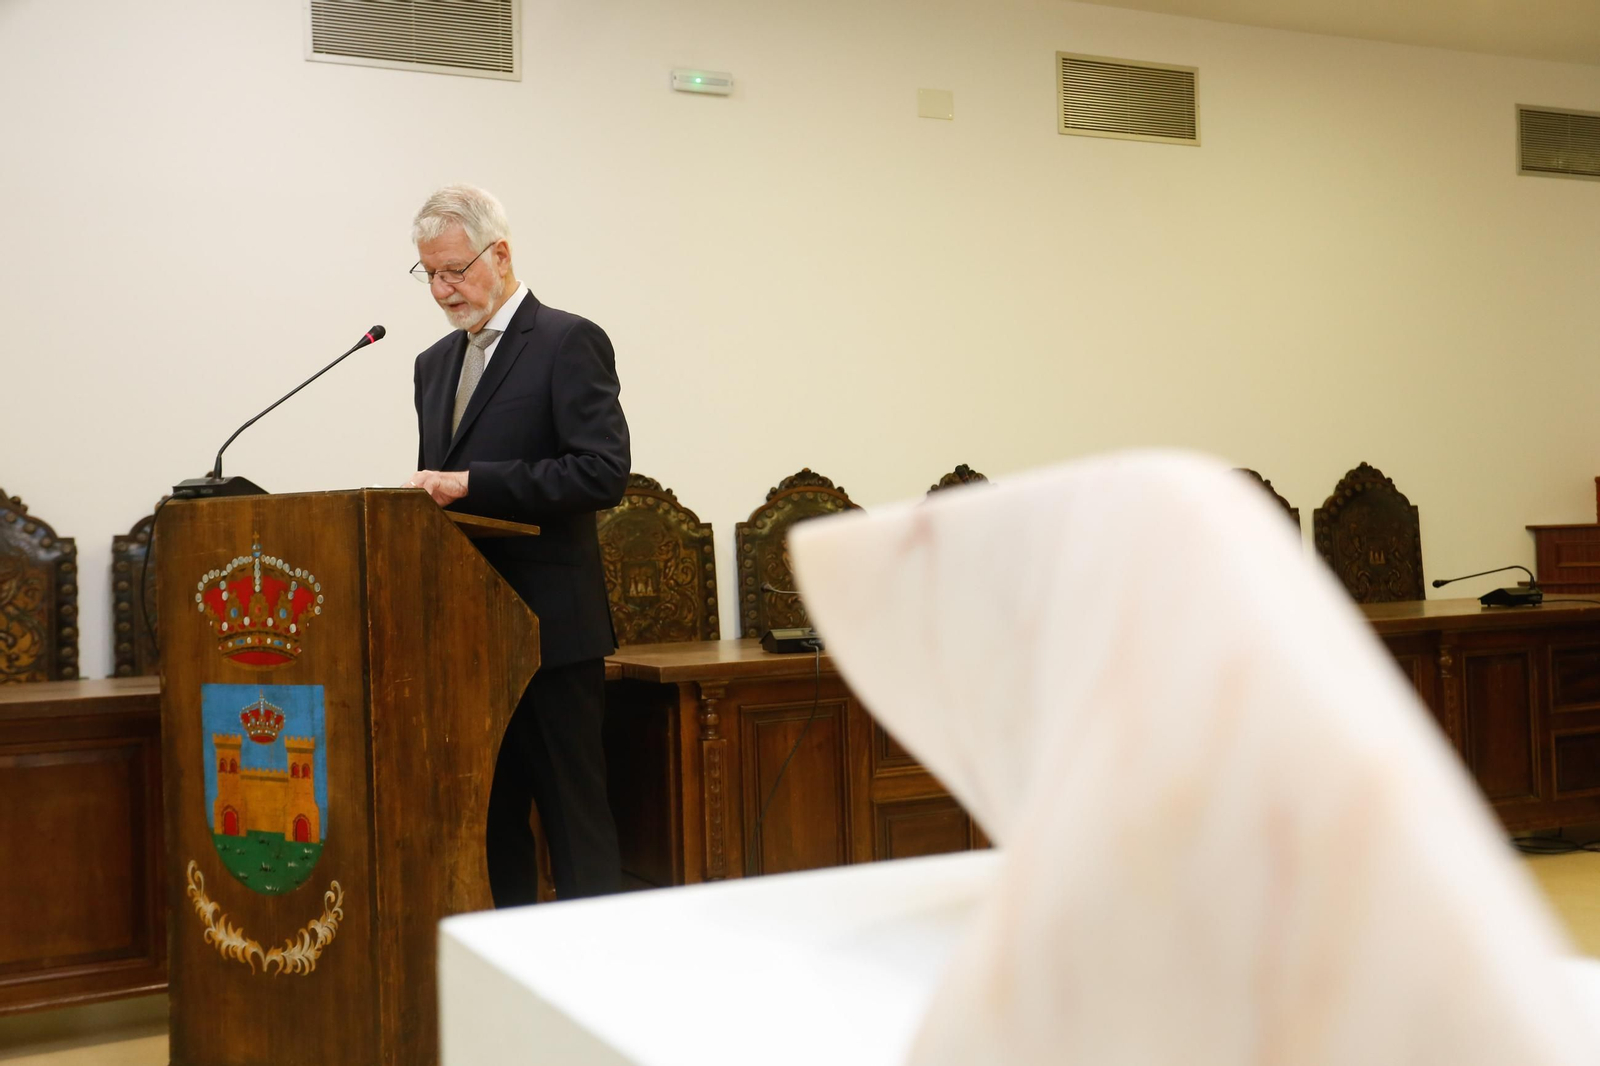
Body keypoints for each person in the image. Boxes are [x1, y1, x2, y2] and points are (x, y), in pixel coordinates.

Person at [407, 183, 629, 902]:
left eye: (455, 270)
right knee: (488, 818)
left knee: (573, 821)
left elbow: (601, 472)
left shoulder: (568, 340)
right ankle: (504, 979)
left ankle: (598, 984)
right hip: (469, 636)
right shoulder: (433, 365)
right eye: (429, 273)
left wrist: (473, 483)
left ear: (499, 254)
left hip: (550, 633)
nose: (443, 290)